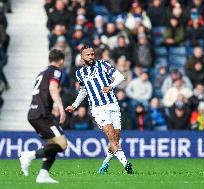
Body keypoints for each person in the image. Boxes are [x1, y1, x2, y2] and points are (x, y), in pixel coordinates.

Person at [65, 46, 133, 174]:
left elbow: (120, 77)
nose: (91, 56)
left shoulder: (103, 64)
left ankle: (104, 164)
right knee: (112, 138)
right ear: (82, 57)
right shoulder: (79, 73)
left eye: (92, 54)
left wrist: (110, 86)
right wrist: (74, 105)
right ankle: (126, 164)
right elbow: (83, 91)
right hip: (98, 109)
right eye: (88, 55)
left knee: (116, 140)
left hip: (113, 105)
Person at [19, 49, 68, 183]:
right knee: (62, 144)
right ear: (61, 61)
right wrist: (61, 108)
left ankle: (43, 175)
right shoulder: (56, 71)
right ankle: (29, 155)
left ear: (49, 59)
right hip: (41, 114)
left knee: (52, 143)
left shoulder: (42, 72)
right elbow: (53, 88)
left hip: (34, 113)